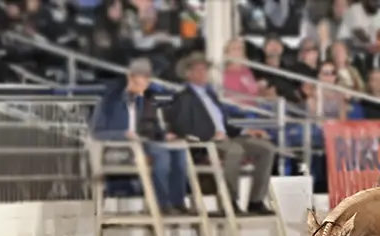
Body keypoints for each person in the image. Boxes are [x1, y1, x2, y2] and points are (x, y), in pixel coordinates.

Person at [164, 52, 278, 216]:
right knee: (235, 150)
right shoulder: (182, 98)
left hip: (227, 137)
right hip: (207, 141)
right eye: (199, 70)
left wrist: (247, 130)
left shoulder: (211, 94)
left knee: (266, 149)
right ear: (188, 73)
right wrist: (210, 135)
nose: (204, 73)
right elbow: (181, 127)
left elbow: (225, 124)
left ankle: (256, 201)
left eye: (205, 69)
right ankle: (229, 202)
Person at [90, 58, 190, 214]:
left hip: (143, 146)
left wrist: (165, 136)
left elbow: (152, 129)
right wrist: (123, 135)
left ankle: (177, 202)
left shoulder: (146, 102)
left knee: (179, 152)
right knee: (160, 154)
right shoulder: (109, 102)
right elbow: (97, 133)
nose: (145, 82)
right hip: (117, 150)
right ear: (131, 77)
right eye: (142, 78)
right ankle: (161, 204)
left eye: (147, 78)